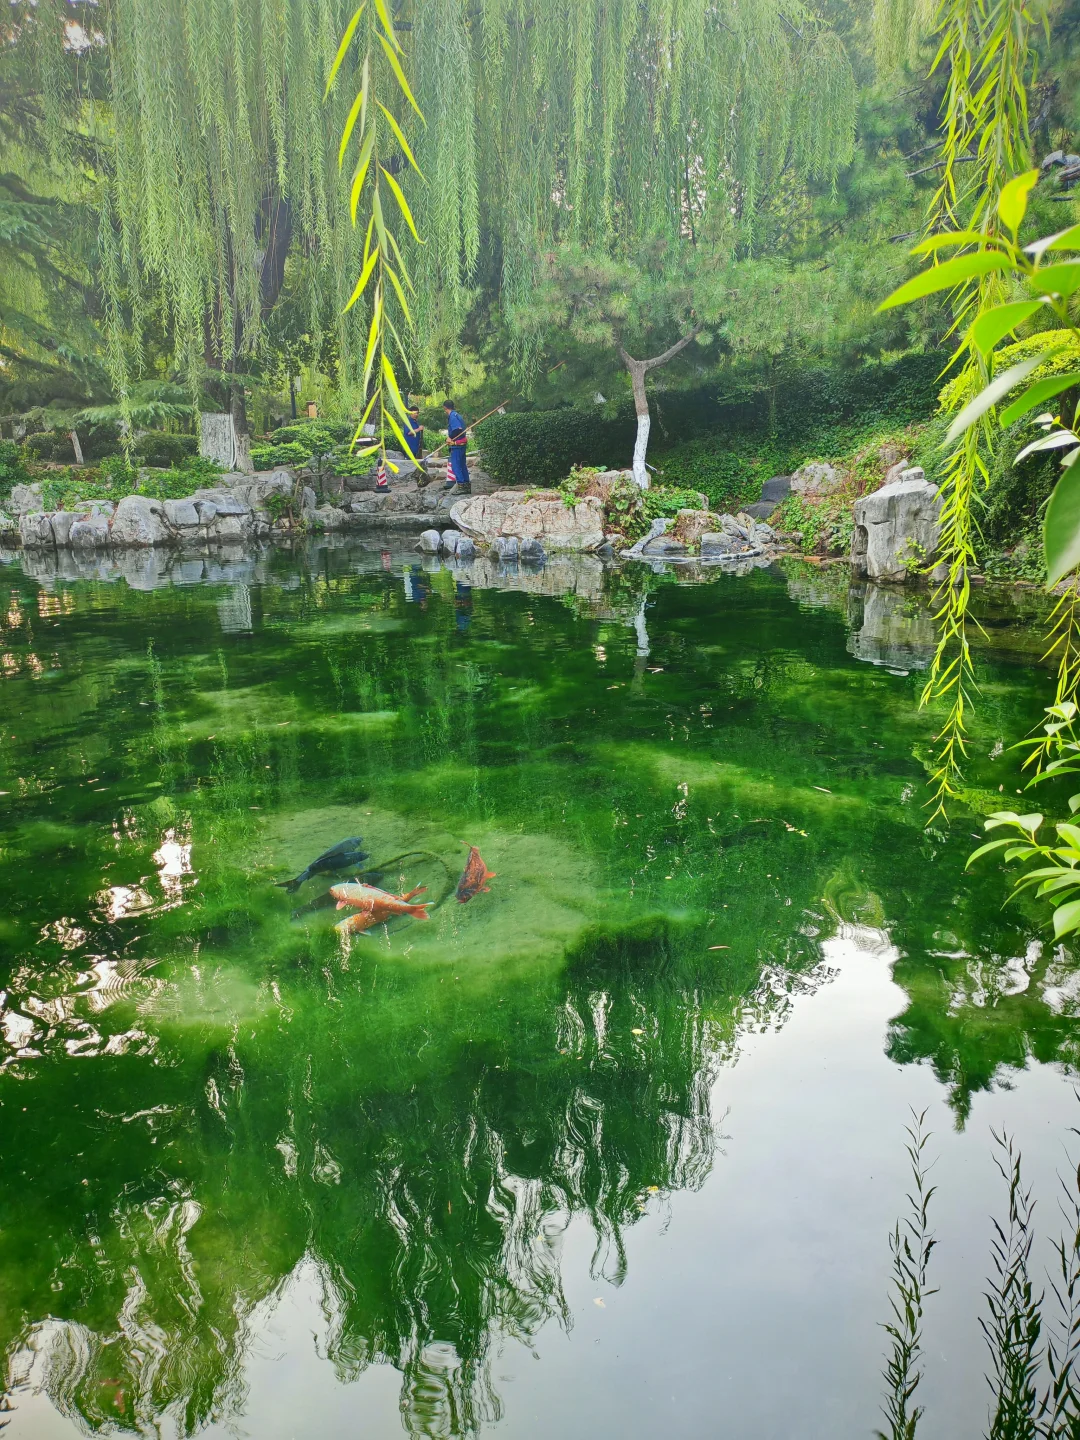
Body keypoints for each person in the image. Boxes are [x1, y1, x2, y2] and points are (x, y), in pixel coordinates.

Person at [443, 400, 470, 493]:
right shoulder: (458, 415)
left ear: (445, 408)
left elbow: (457, 430)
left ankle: (462, 486)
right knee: (462, 465)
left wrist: (449, 438)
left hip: (457, 446)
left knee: (456, 466)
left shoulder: (452, 417)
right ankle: (467, 485)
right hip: (461, 444)